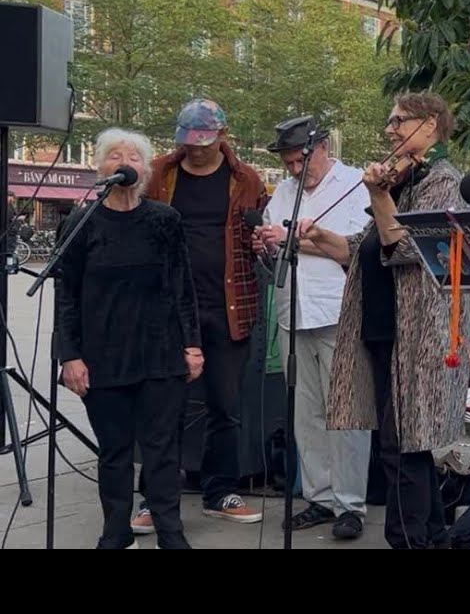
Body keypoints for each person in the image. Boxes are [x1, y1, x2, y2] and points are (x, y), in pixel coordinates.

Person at [297, 91, 470, 549]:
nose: (390, 129)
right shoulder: (403, 182)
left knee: (404, 445)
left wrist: (378, 194)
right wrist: (318, 237)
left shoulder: (442, 181)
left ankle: (407, 539)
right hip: (382, 331)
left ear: (429, 125)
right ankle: (432, 537)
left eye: (399, 121)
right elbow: (362, 247)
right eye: (390, 121)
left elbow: (404, 247)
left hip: (417, 336)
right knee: (401, 444)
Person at [57, 128, 202, 550]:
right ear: (99, 167)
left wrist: (192, 346)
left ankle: (170, 533)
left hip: (160, 354)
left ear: (145, 169)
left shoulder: (164, 220)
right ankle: (116, 532)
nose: (124, 161)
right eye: (114, 155)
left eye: (134, 156)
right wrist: (70, 355)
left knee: (162, 451)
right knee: (115, 452)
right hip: (103, 358)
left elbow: (183, 287)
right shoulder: (80, 222)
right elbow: (67, 294)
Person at [133, 98, 267, 533]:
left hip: (229, 309)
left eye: (204, 144)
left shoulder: (246, 179)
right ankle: (156, 499)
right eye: (189, 144)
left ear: (222, 137)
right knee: (162, 408)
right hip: (167, 310)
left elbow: (257, 237)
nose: (196, 151)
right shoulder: (160, 174)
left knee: (225, 407)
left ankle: (219, 491)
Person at [252, 116, 372, 540]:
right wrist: (268, 245)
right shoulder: (283, 193)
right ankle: (319, 496)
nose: (294, 171)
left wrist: (294, 242)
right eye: (287, 164)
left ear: (322, 148)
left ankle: (350, 503)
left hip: (339, 309)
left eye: (299, 161)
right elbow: (277, 249)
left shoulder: (355, 184)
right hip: (292, 311)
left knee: (346, 412)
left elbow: (353, 248)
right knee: (306, 413)